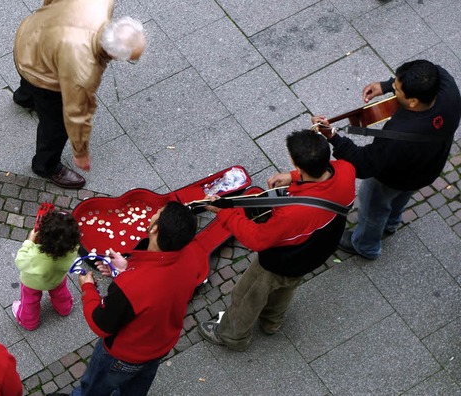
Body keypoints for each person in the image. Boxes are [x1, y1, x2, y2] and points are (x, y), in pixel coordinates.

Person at [197, 130, 356, 352]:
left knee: (247, 295)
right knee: (287, 287)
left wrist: (223, 213)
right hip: (316, 251)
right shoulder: (347, 170)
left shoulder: (291, 214)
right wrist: (294, 177)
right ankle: (272, 322)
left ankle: (232, 335)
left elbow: (257, 240)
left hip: (281, 261)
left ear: (296, 162)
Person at [313, 59, 461, 260]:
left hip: (393, 177)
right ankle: (392, 223)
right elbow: (437, 70)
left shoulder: (399, 136)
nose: (393, 89)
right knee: (403, 195)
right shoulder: (449, 90)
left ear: (413, 102)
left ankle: (366, 245)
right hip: (429, 167)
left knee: (373, 208)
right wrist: (385, 86)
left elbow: (364, 163)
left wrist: (333, 137)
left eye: (397, 90)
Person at [71, 201, 208, 395]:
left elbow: (100, 324)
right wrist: (127, 268)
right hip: (158, 347)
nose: (152, 215)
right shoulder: (191, 256)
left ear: (155, 229)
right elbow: (159, 284)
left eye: (157, 214)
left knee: (93, 389)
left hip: (121, 357)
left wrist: (88, 288)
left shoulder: (129, 288)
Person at [13, 0, 146, 189]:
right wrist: (80, 152)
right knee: (55, 126)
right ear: (114, 54)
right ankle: (46, 165)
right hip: (41, 74)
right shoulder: (85, 69)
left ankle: (23, 97)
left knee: (34, 76)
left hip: (29, 35)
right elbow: (75, 112)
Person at [12, 210, 81, 330]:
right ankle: (65, 308)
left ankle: (29, 322)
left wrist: (29, 242)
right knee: (60, 293)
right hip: (57, 279)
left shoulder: (34, 256)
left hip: (32, 283)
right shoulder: (72, 249)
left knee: (30, 301)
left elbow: (20, 260)